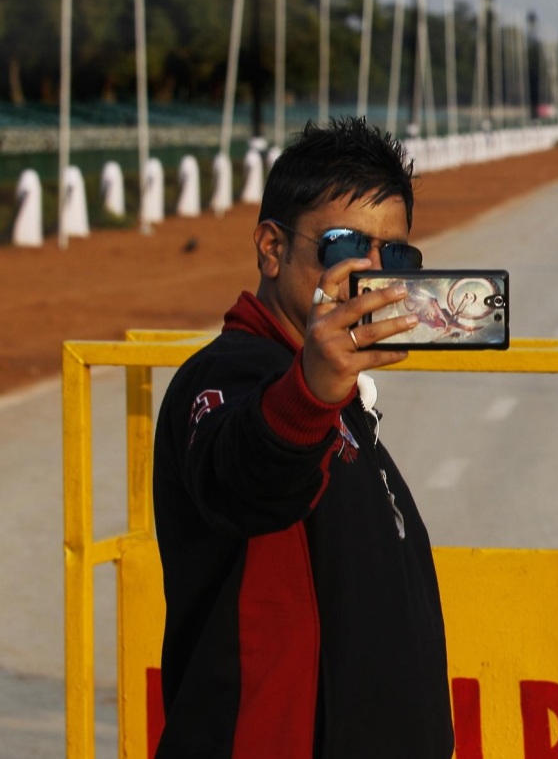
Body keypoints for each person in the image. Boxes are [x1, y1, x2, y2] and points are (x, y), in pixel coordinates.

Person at [152, 117, 453, 758]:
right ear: (272, 248)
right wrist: (312, 390)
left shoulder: (332, 393)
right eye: (345, 246)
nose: (372, 274)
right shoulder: (227, 375)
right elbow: (244, 479)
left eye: (396, 256)